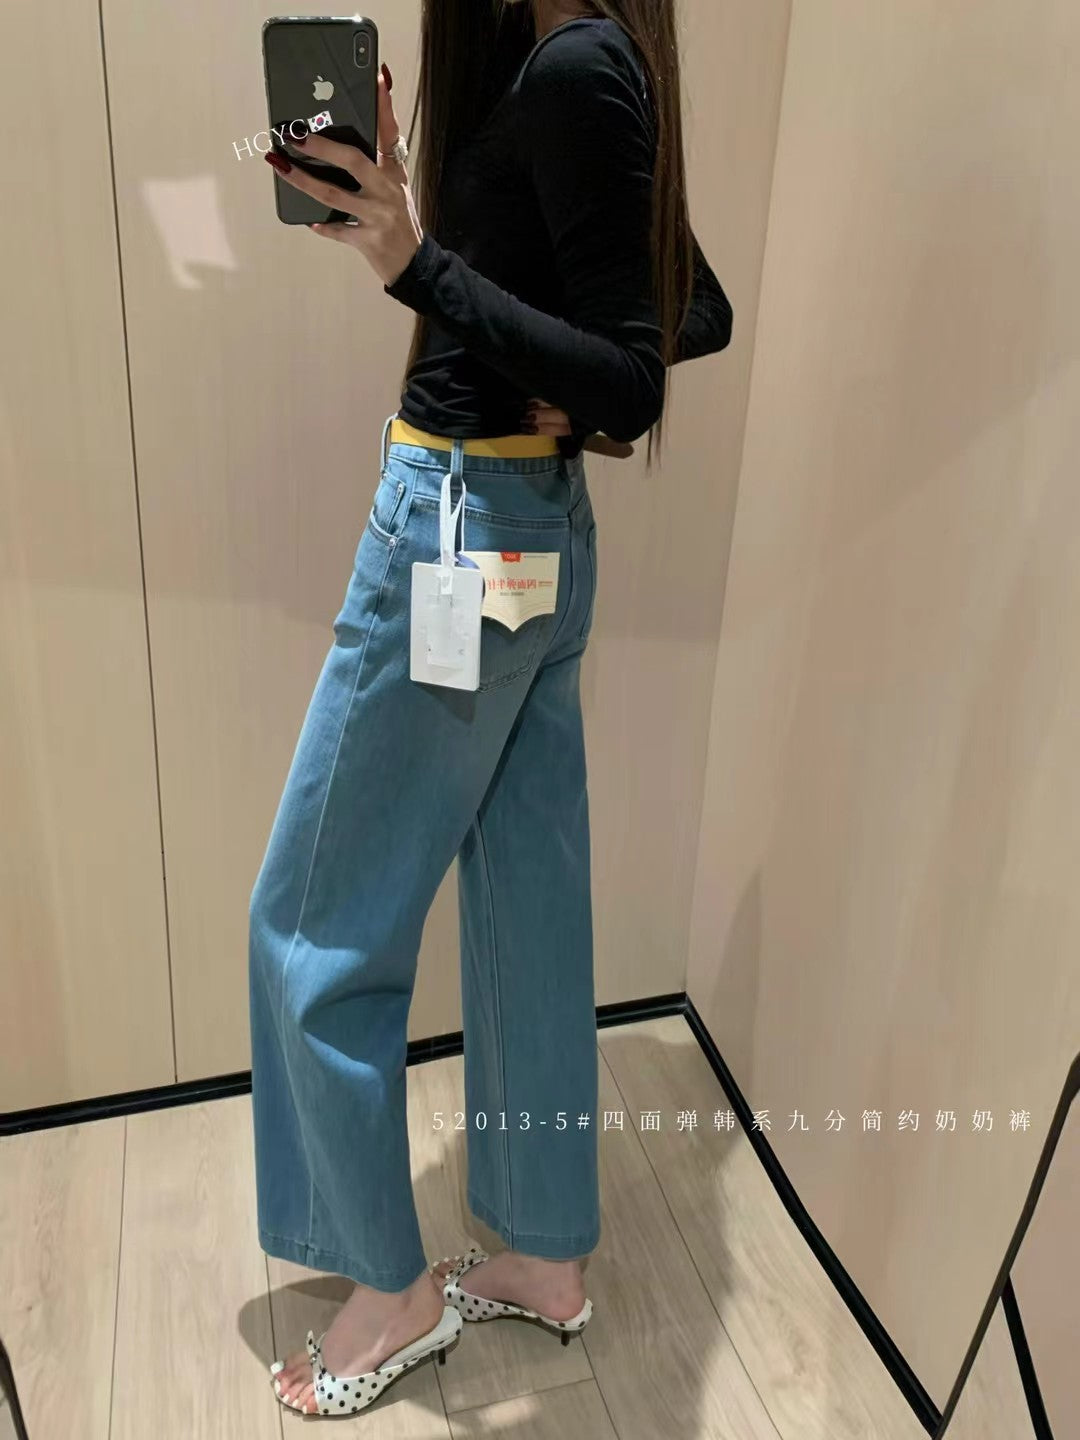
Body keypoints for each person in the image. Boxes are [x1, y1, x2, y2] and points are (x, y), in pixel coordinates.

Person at [252, 0, 732, 1417]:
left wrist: (416, 262)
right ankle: (543, 1254)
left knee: (314, 923)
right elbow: (687, 306)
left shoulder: (575, 63)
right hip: (527, 533)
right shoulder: (567, 58)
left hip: (460, 530)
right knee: (527, 907)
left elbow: (637, 372)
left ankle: (390, 1289)